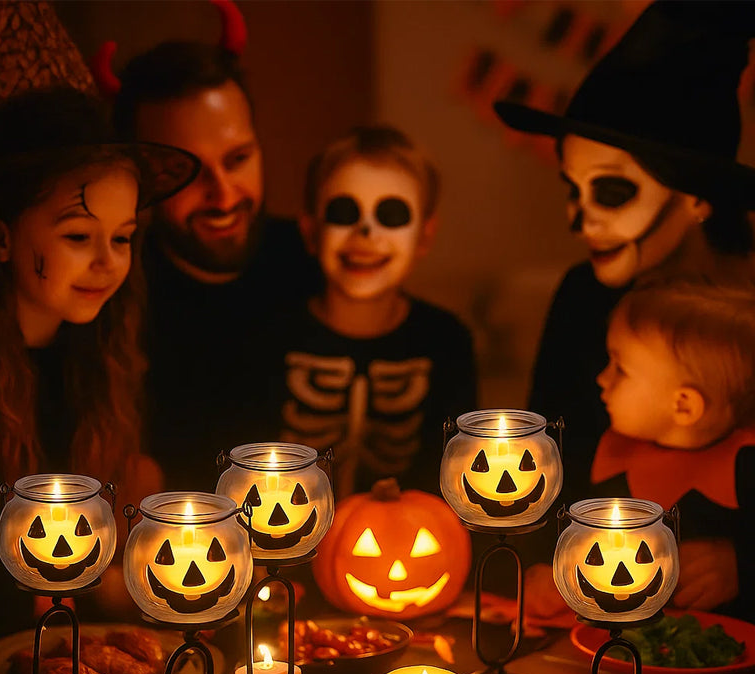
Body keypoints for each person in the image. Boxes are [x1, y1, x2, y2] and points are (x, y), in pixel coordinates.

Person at [0, 87, 199, 650]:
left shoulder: (96, 361)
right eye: (77, 236)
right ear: (1, 237)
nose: (107, 262)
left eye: (122, 238)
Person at [493, 0, 755, 505]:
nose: (580, 220)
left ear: (696, 196)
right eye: (573, 189)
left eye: (612, 192)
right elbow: (548, 464)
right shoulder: (582, 297)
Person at [113, 40, 320, 492]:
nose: (223, 196)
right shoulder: (111, 294)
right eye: (185, 171)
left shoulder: (325, 266)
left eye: (238, 159)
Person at [528, 278, 755, 622]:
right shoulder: (600, 453)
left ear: (683, 406)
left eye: (620, 369)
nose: (601, 378)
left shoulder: (745, 468)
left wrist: (740, 565)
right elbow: (559, 535)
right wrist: (549, 573)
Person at [270, 125, 476, 498]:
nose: (365, 232)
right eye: (343, 212)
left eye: (392, 215)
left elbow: (457, 477)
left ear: (425, 235)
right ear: (311, 231)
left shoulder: (447, 341)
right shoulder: (267, 335)